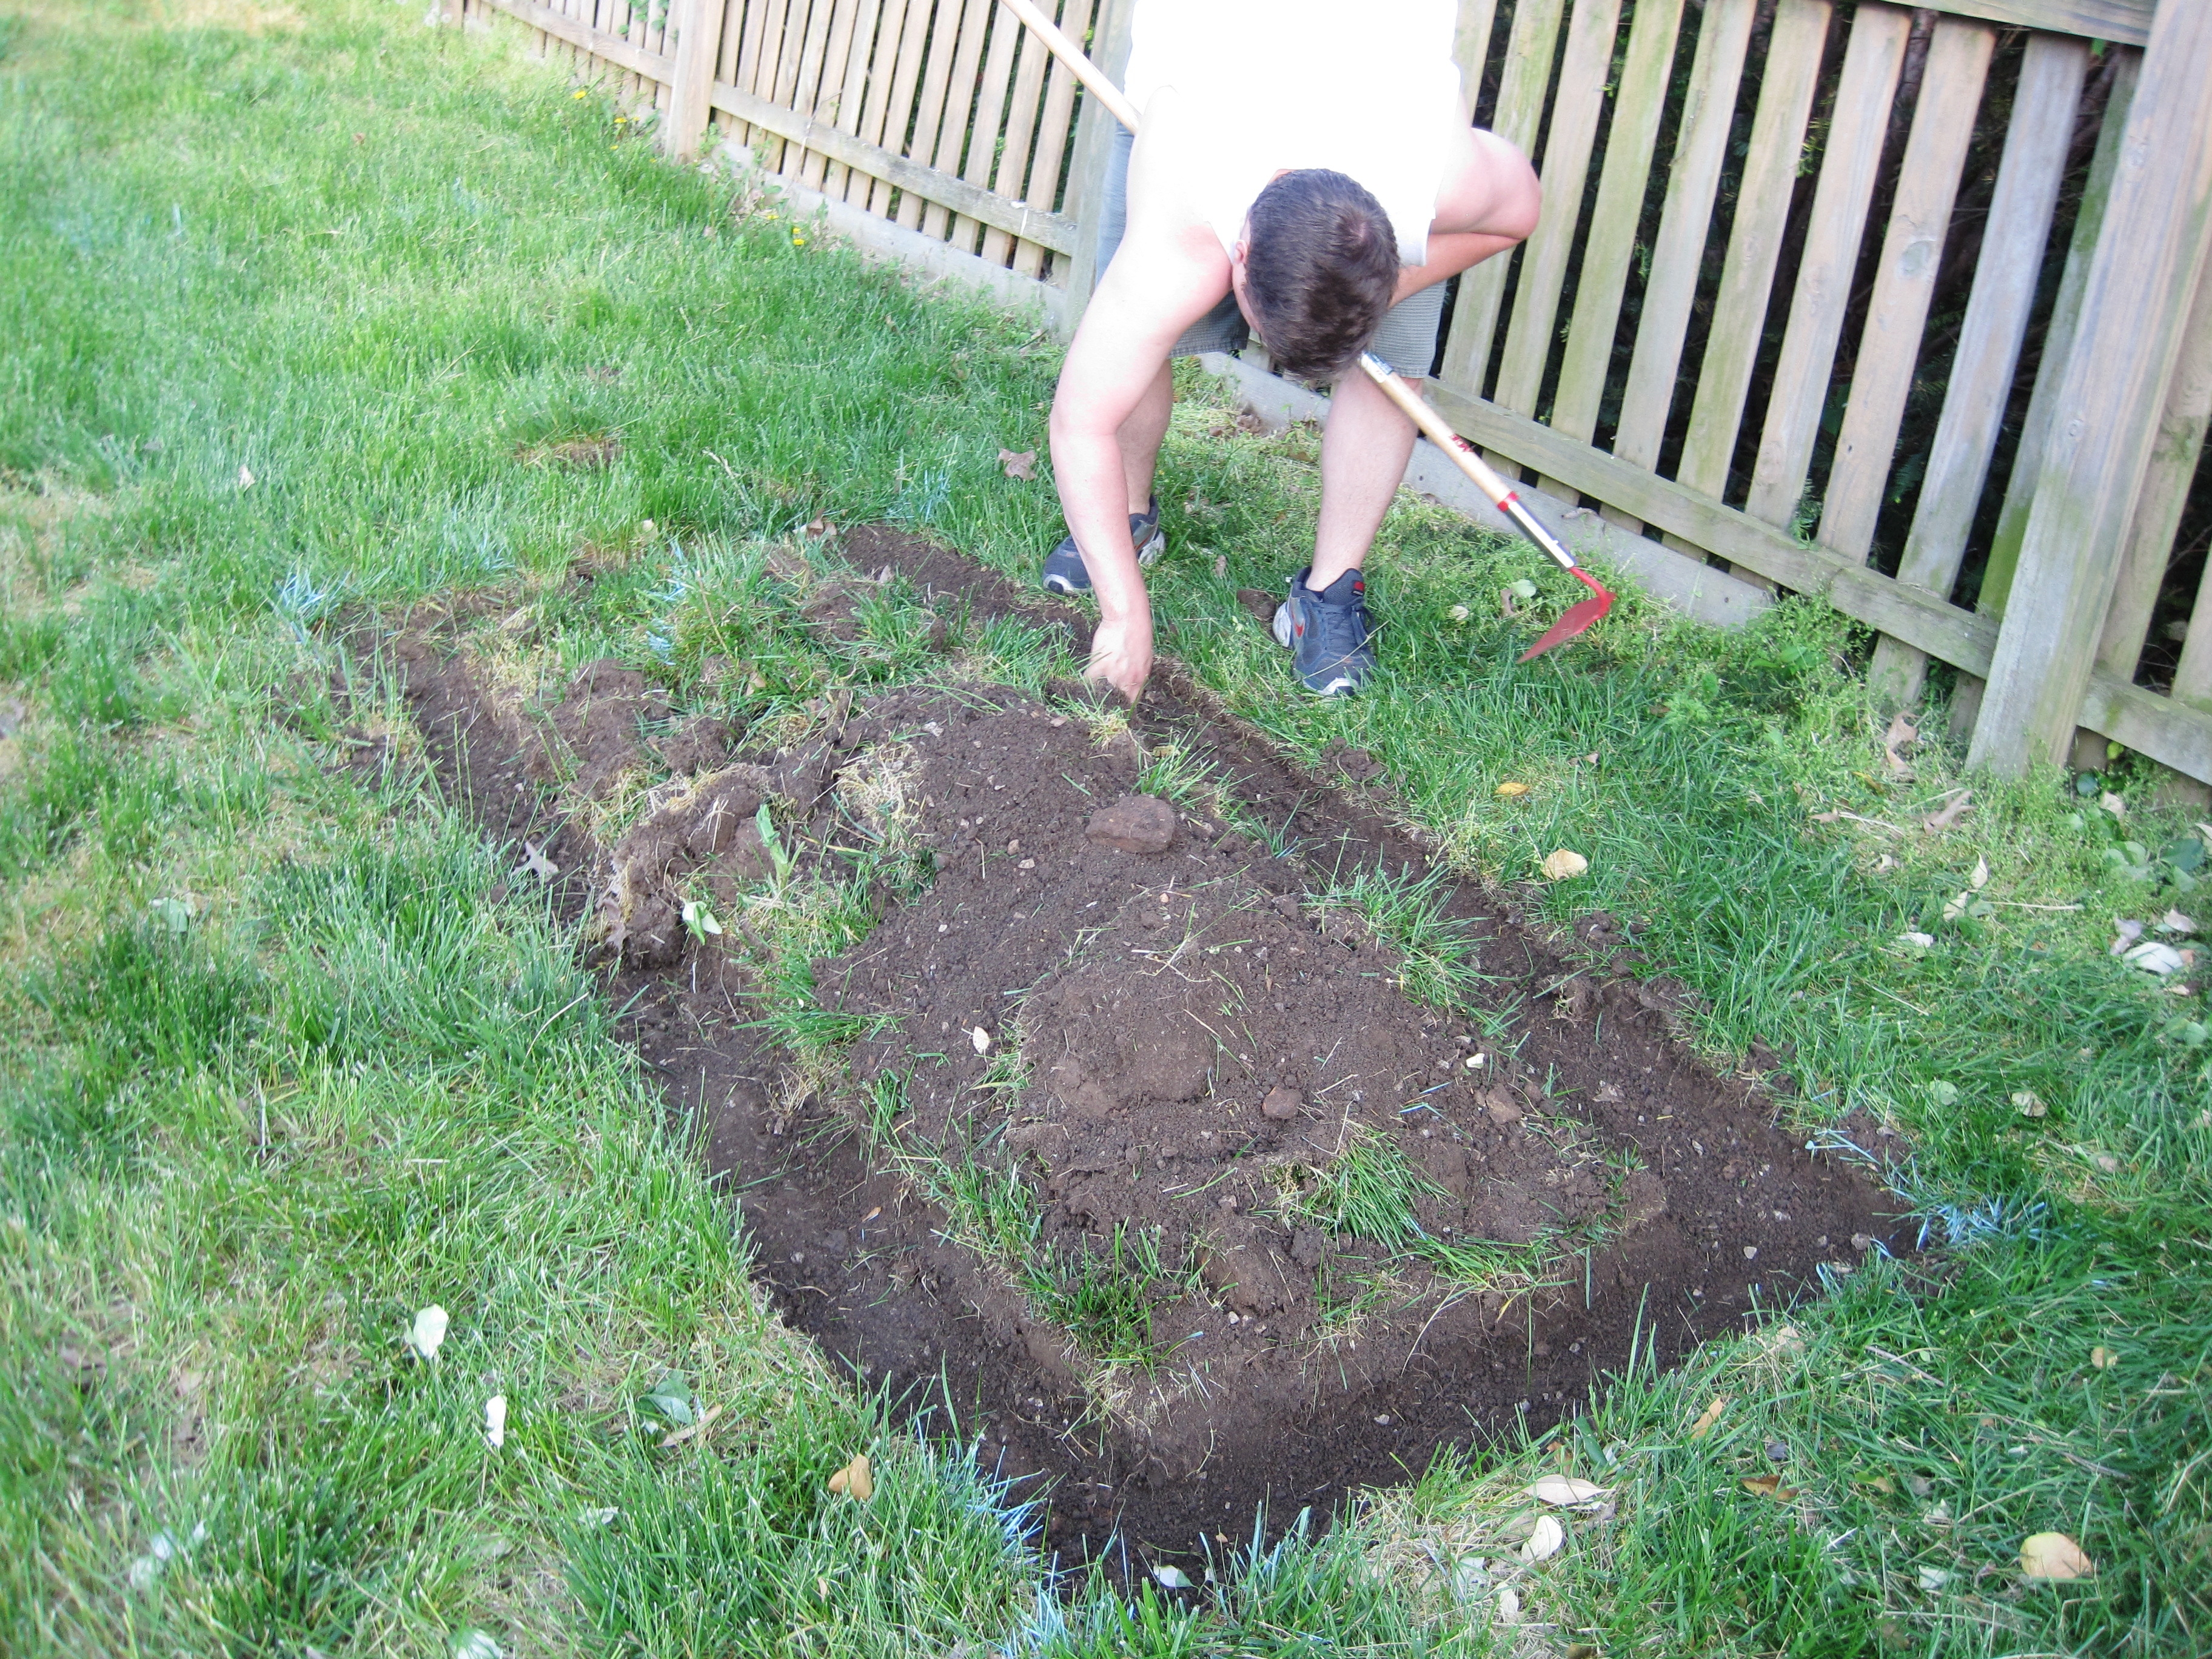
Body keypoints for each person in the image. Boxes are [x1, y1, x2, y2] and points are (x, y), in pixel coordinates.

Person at [1044, 0, 1540, 700]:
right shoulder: (1185, 204)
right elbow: (1079, 421)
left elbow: (1520, 210)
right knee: (1135, 339)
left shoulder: (1442, 179)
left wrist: (1384, 287)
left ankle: (1330, 590)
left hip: (1384, 72)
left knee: (1390, 367)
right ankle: (1126, 521)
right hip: (1207, 57)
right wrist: (1124, 615)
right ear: (1237, 257)